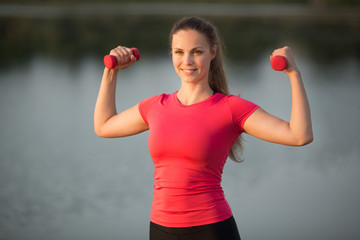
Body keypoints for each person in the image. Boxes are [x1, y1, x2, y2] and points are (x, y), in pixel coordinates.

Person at [94, 16, 313, 240]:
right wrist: (111, 73)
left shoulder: (230, 108)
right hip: (160, 229)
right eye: (179, 52)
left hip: (211, 230)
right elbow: (104, 126)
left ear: (213, 52)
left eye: (197, 52)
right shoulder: (155, 106)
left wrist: (294, 74)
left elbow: (299, 135)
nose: (187, 60)